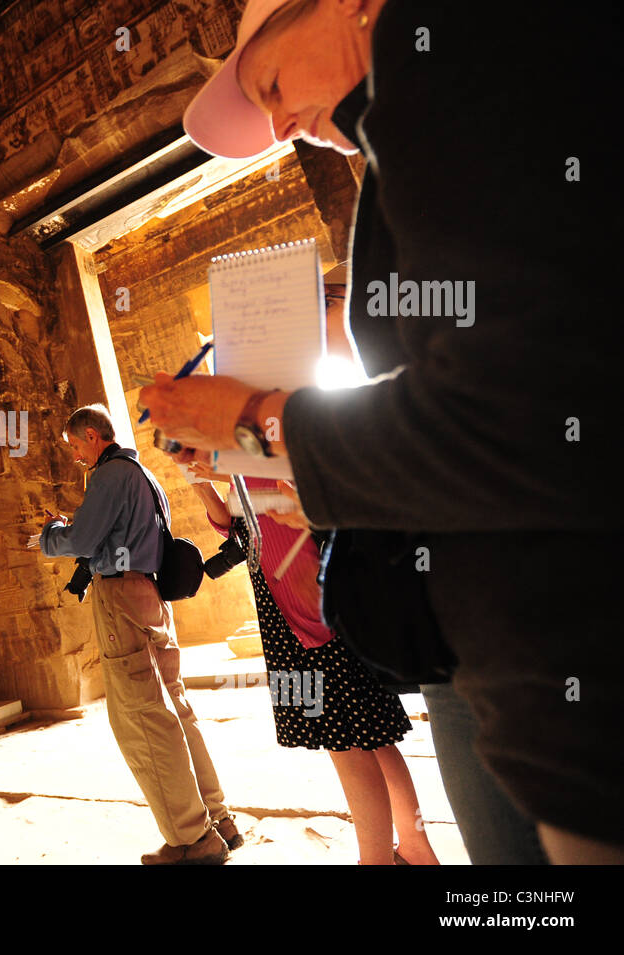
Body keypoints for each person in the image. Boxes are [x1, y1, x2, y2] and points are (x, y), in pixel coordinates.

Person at [143, 0, 620, 862]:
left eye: (275, 83)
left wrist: (257, 418)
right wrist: (310, 490)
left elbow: (520, 421)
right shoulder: (423, 117)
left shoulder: (450, 70)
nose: (283, 124)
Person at [186, 462, 437, 865]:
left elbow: (279, 501)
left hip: (308, 607)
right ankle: (415, 850)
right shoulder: (236, 453)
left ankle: (377, 861)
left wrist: (226, 473)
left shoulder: (252, 437)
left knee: (346, 741)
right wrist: (202, 484)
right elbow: (238, 530)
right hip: (293, 605)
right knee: (372, 734)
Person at [39, 404, 237, 864]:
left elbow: (85, 542)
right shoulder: (142, 475)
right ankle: (218, 820)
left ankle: (192, 839)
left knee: (142, 720)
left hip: (122, 599)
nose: (74, 457)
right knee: (176, 709)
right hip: (151, 596)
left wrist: (52, 531)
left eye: (73, 447)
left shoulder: (108, 476)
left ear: (91, 436)